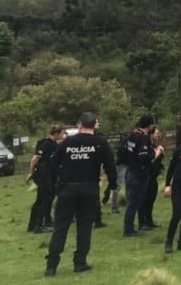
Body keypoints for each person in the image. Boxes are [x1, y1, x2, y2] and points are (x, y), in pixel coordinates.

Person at [44, 112, 117, 277]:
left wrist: (59, 180)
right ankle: (80, 262)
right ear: (94, 125)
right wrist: (112, 185)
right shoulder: (100, 142)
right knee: (84, 226)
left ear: (80, 124)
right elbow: (110, 165)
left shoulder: (68, 141)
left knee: (60, 227)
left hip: (67, 188)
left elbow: (53, 162)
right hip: (89, 189)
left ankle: (51, 265)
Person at [122, 115, 162, 237]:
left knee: (132, 202)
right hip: (139, 174)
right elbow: (144, 157)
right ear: (150, 126)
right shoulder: (143, 138)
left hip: (130, 170)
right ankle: (129, 229)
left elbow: (123, 152)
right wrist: (156, 153)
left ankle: (129, 227)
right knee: (134, 202)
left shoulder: (132, 136)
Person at [28, 124, 65, 233]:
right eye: (62, 133)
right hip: (44, 175)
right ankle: (37, 225)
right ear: (57, 133)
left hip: (50, 174)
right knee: (43, 199)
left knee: (47, 198)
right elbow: (34, 160)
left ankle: (44, 221)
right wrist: (31, 173)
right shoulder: (45, 144)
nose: (63, 136)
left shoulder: (54, 144)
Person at [138, 127, 164, 230]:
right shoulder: (147, 145)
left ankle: (149, 220)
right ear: (151, 134)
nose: (158, 135)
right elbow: (150, 158)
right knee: (144, 199)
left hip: (154, 175)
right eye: (157, 133)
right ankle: (142, 222)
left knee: (151, 199)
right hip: (146, 175)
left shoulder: (154, 145)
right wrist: (157, 152)